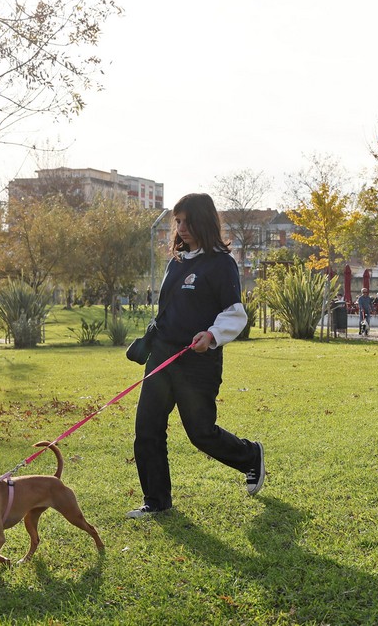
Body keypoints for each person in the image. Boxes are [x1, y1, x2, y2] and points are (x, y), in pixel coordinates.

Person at [128, 193, 264, 518]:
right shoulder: (176, 262)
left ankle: (250, 456)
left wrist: (212, 335)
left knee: (201, 433)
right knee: (147, 429)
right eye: (178, 221)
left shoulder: (221, 264)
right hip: (161, 358)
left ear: (204, 221)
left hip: (197, 362)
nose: (181, 228)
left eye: (187, 221)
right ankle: (156, 501)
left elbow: (235, 314)